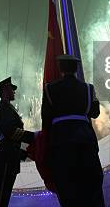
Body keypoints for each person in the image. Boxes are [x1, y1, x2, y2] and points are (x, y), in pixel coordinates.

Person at [41, 54, 104, 207]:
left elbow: (46, 118)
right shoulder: (88, 89)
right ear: (76, 69)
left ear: (60, 69)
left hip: (61, 143)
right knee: (92, 188)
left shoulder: (50, 89)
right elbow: (94, 112)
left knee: (67, 190)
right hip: (85, 141)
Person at [0, 77, 36, 207]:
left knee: (2, 199)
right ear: (5, 90)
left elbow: (5, 138)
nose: (14, 92)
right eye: (11, 89)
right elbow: (10, 132)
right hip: (5, 159)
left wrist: (25, 154)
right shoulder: (3, 107)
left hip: (7, 157)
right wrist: (34, 137)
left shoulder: (7, 108)